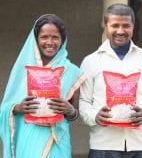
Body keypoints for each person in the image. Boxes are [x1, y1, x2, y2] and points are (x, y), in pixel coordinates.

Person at [79, 3, 142, 158]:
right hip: (103, 145)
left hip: (140, 145)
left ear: (133, 27)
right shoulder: (91, 61)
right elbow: (83, 101)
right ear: (105, 27)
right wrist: (95, 115)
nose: (120, 31)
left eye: (126, 26)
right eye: (114, 25)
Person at [0, 14, 85, 158]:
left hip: (56, 141)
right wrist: (17, 108)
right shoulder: (24, 69)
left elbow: (75, 113)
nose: (49, 42)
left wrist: (69, 110)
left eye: (55, 37)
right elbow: (5, 107)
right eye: (44, 37)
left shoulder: (72, 72)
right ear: (36, 39)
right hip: (26, 139)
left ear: (62, 40)